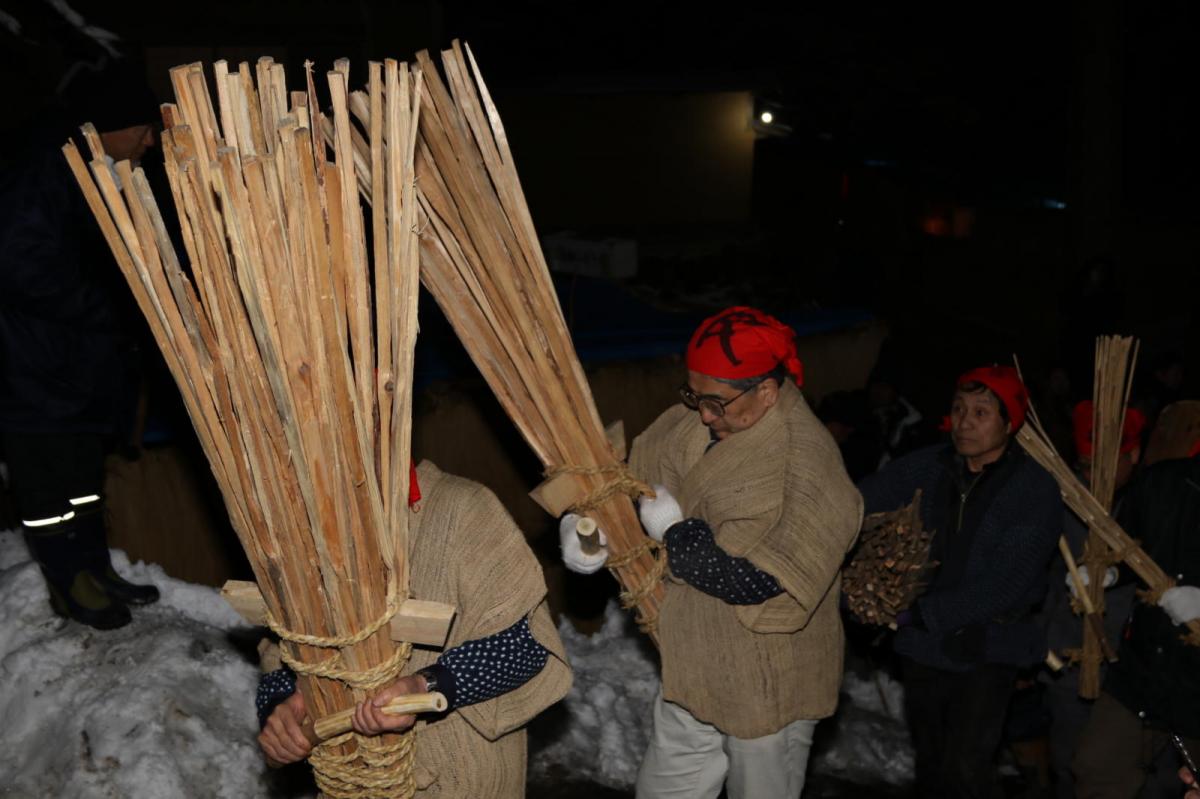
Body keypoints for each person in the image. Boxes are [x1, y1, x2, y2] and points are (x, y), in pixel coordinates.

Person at [562, 305, 863, 798]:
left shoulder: (808, 461)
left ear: (766, 391)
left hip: (769, 682)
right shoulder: (685, 426)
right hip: (695, 665)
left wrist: (676, 531)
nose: (702, 413)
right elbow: (623, 485)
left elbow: (758, 582)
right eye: (694, 395)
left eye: (716, 403)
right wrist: (585, 529)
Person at [257, 460, 572, 797]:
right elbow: (284, 655)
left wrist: (425, 685)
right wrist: (281, 710)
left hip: (460, 784)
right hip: (352, 785)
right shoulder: (305, 533)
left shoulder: (461, 507)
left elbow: (525, 647)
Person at [0, 57, 161, 630]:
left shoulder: (90, 170)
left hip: (75, 370)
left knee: (82, 481)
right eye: (141, 127)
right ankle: (68, 581)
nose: (149, 141)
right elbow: (18, 265)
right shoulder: (41, 173)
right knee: (48, 485)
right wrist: (107, 306)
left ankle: (94, 566)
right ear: (108, 124)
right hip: (33, 373)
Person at [856, 365, 1062, 799]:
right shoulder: (930, 467)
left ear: (1010, 423)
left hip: (986, 647)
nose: (965, 422)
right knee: (930, 766)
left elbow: (1005, 584)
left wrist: (922, 613)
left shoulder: (1032, 488)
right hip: (922, 648)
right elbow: (856, 500)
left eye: (982, 412)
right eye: (959, 409)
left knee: (967, 771)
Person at [1072, 443, 1200, 798]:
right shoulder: (1164, 481)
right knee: (1097, 767)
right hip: (1143, 671)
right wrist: (1104, 573)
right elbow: (1129, 548)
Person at [1037, 401, 1144, 798]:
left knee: (1119, 766)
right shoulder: (1061, 504)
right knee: (1069, 758)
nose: (1092, 474)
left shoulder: (1148, 506)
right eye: (1084, 465)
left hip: (1127, 663)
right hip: (1067, 655)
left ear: (1132, 456)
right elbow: (1043, 580)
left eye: (1103, 464)